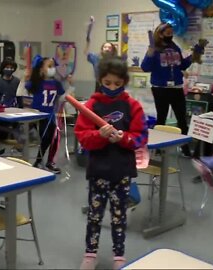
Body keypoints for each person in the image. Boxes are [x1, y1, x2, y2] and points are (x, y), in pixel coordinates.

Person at [75, 56, 148, 270]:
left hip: (122, 171)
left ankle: (119, 257)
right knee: (95, 216)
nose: (112, 87)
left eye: (117, 83)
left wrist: (123, 138)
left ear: (124, 81)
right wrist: (100, 135)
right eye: (107, 83)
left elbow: (141, 137)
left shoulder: (132, 105)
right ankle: (90, 254)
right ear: (100, 80)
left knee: (119, 216)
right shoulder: (91, 105)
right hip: (98, 170)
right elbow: (82, 137)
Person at [141, 23, 193, 157]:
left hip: (176, 88)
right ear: (160, 34)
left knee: (182, 118)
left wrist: (194, 55)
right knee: (161, 118)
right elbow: (145, 67)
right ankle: (159, 148)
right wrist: (151, 51)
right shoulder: (155, 48)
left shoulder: (174, 46)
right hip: (160, 89)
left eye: (171, 33)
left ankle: (185, 148)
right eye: (167, 33)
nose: (170, 35)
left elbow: (182, 64)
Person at [26, 55, 72, 173]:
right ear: (41, 69)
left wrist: (70, 85)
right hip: (38, 115)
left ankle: (49, 162)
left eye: (53, 66)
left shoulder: (56, 83)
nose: (52, 69)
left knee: (54, 138)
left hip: (50, 115)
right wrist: (26, 78)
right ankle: (38, 161)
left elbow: (62, 96)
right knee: (45, 138)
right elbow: (23, 90)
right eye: (49, 66)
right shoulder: (36, 82)